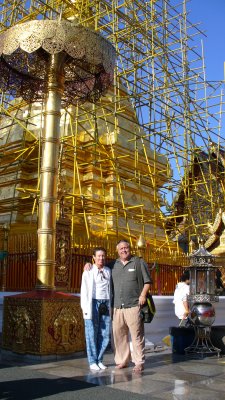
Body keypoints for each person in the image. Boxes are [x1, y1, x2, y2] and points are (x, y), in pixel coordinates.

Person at [84, 239, 151, 373]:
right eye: (121, 249)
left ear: (130, 249)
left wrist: (143, 295)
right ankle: (122, 360)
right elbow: (99, 264)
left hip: (133, 305)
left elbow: (147, 281)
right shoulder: (113, 265)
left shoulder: (138, 262)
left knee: (137, 335)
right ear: (117, 251)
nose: (124, 250)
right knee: (118, 336)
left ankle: (138, 362)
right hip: (116, 307)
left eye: (126, 248)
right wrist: (88, 264)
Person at [80, 247, 111, 371]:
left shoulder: (109, 271)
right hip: (92, 302)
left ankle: (99, 359)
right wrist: (84, 308)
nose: (101, 258)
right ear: (93, 257)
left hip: (106, 303)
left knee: (104, 333)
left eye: (103, 256)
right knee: (91, 332)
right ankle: (92, 360)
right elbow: (84, 291)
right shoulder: (88, 271)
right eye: (98, 256)